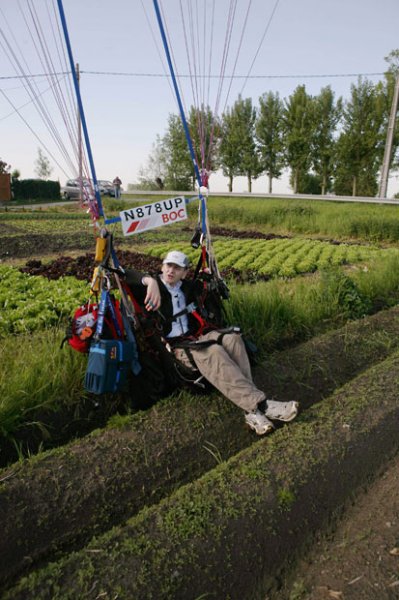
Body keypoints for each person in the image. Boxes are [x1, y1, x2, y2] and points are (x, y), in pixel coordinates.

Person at [125, 250, 298, 435]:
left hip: (196, 336)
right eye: (168, 266)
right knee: (214, 351)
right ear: (162, 267)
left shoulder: (188, 287)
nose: (171, 271)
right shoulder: (152, 286)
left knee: (233, 339)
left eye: (177, 268)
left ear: (184, 273)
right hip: (176, 347)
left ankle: (251, 411)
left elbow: (208, 283)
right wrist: (149, 281)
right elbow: (123, 274)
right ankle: (261, 405)